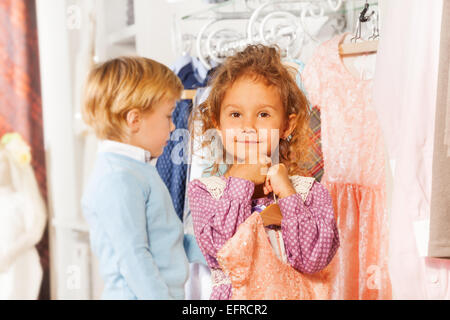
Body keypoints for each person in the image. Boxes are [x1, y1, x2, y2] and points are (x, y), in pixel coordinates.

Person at [187, 45, 340, 300]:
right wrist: (241, 181)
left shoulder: (309, 192)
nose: (248, 127)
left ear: (286, 125)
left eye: (263, 114)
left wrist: (288, 194)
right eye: (235, 114)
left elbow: (314, 259)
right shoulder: (205, 192)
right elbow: (220, 254)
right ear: (218, 123)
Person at [81, 56, 205, 300]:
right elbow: (134, 258)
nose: (172, 127)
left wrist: (221, 254)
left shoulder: (138, 169)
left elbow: (168, 238)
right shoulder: (118, 178)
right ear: (134, 120)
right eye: (168, 116)